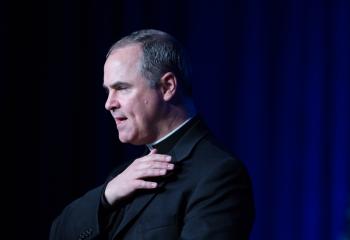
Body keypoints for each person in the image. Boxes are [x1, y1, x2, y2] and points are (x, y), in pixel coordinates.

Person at [49, 29, 255, 240]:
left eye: (122, 88)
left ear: (167, 86)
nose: (108, 103)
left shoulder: (218, 173)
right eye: (107, 91)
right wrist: (106, 195)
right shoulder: (123, 176)